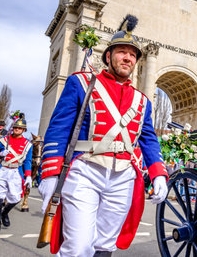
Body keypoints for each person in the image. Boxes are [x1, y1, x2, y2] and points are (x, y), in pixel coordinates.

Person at [38, 15, 168, 256]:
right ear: (108, 56)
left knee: (105, 245)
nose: (128, 58)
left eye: (133, 54)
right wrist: (50, 172)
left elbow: (148, 138)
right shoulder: (81, 83)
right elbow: (58, 128)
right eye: (122, 52)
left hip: (123, 177)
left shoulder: (143, 101)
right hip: (85, 170)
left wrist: (158, 172)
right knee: (77, 245)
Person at [0, 117, 32, 235]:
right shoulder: (3, 140)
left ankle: (4, 213)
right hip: (2, 169)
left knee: (16, 197)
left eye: (20, 128)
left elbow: (27, 161)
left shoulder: (28, 144)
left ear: (24, 130)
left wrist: (28, 176)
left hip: (16, 171)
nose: (17, 129)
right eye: (15, 127)